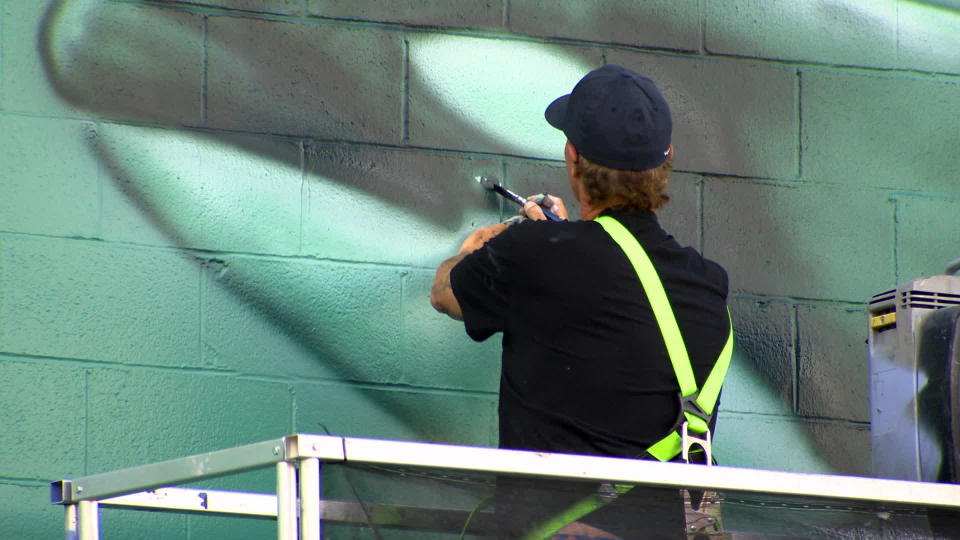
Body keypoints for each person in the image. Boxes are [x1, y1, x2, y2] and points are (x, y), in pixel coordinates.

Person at [431, 65, 732, 539]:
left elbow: (446, 293)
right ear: (667, 159)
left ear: (573, 159)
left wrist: (486, 245)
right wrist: (559, 241)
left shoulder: (537, 256)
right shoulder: (709, 286)